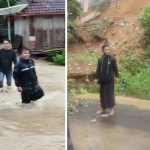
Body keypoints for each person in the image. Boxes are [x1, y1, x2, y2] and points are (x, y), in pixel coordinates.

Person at [94, 45, 119, 116]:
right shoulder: (100, 60)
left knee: (110, 94)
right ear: (103, 50)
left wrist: (117, 76)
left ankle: (112, 109)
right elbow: (98, 70)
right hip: (102, 80)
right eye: (106, 49)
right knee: (102, 95)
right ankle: (103, 109)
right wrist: (96, 78)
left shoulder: (112, 59)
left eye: (108, 49)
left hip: (110, 80)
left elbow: (115, 68)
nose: (107, 51)